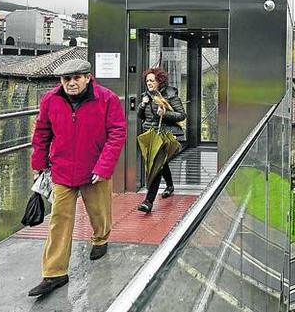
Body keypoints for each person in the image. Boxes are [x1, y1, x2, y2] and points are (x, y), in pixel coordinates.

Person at [28, 59, 126, 297]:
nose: (71, 83)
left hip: (94, 171)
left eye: (76, 78)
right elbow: (42, 131)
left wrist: (103, 167)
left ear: (87, 77)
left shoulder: (107, 99)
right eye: (66, 79)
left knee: (99, 212)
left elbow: (117, 132)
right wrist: (39, 163)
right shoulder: (51, 100)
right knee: (59, 221)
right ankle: (54, 273)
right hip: (61, 171)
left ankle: (101, 239)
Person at [137, 67, 186, 213]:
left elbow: (181, 115)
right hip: (150, 134)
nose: (149, 83)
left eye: (152, 80)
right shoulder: (146, 96)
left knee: (156, 165)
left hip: (165, 135)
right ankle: (170, 186)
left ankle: (148, 201)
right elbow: (141, 116)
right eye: (147, 81)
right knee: (161, 164)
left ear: (160, 81)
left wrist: (164, 113)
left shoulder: (170, 96)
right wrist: (142, 104)